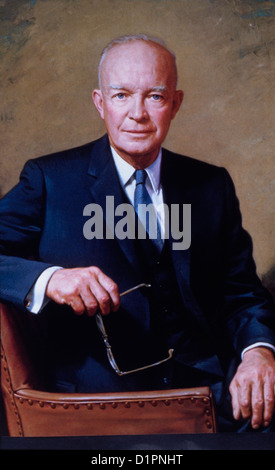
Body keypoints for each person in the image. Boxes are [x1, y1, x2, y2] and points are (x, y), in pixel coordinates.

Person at [0, 34, 275, 433]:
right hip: (100, 404)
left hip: (214, 391)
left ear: (176, 104)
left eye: (155, 97)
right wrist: (50, 278)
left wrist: (258, 353)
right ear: (100, 103)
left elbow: (241, 292)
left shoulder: (210, 185)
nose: (137, 114)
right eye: (121, 95)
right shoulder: (49, 180)